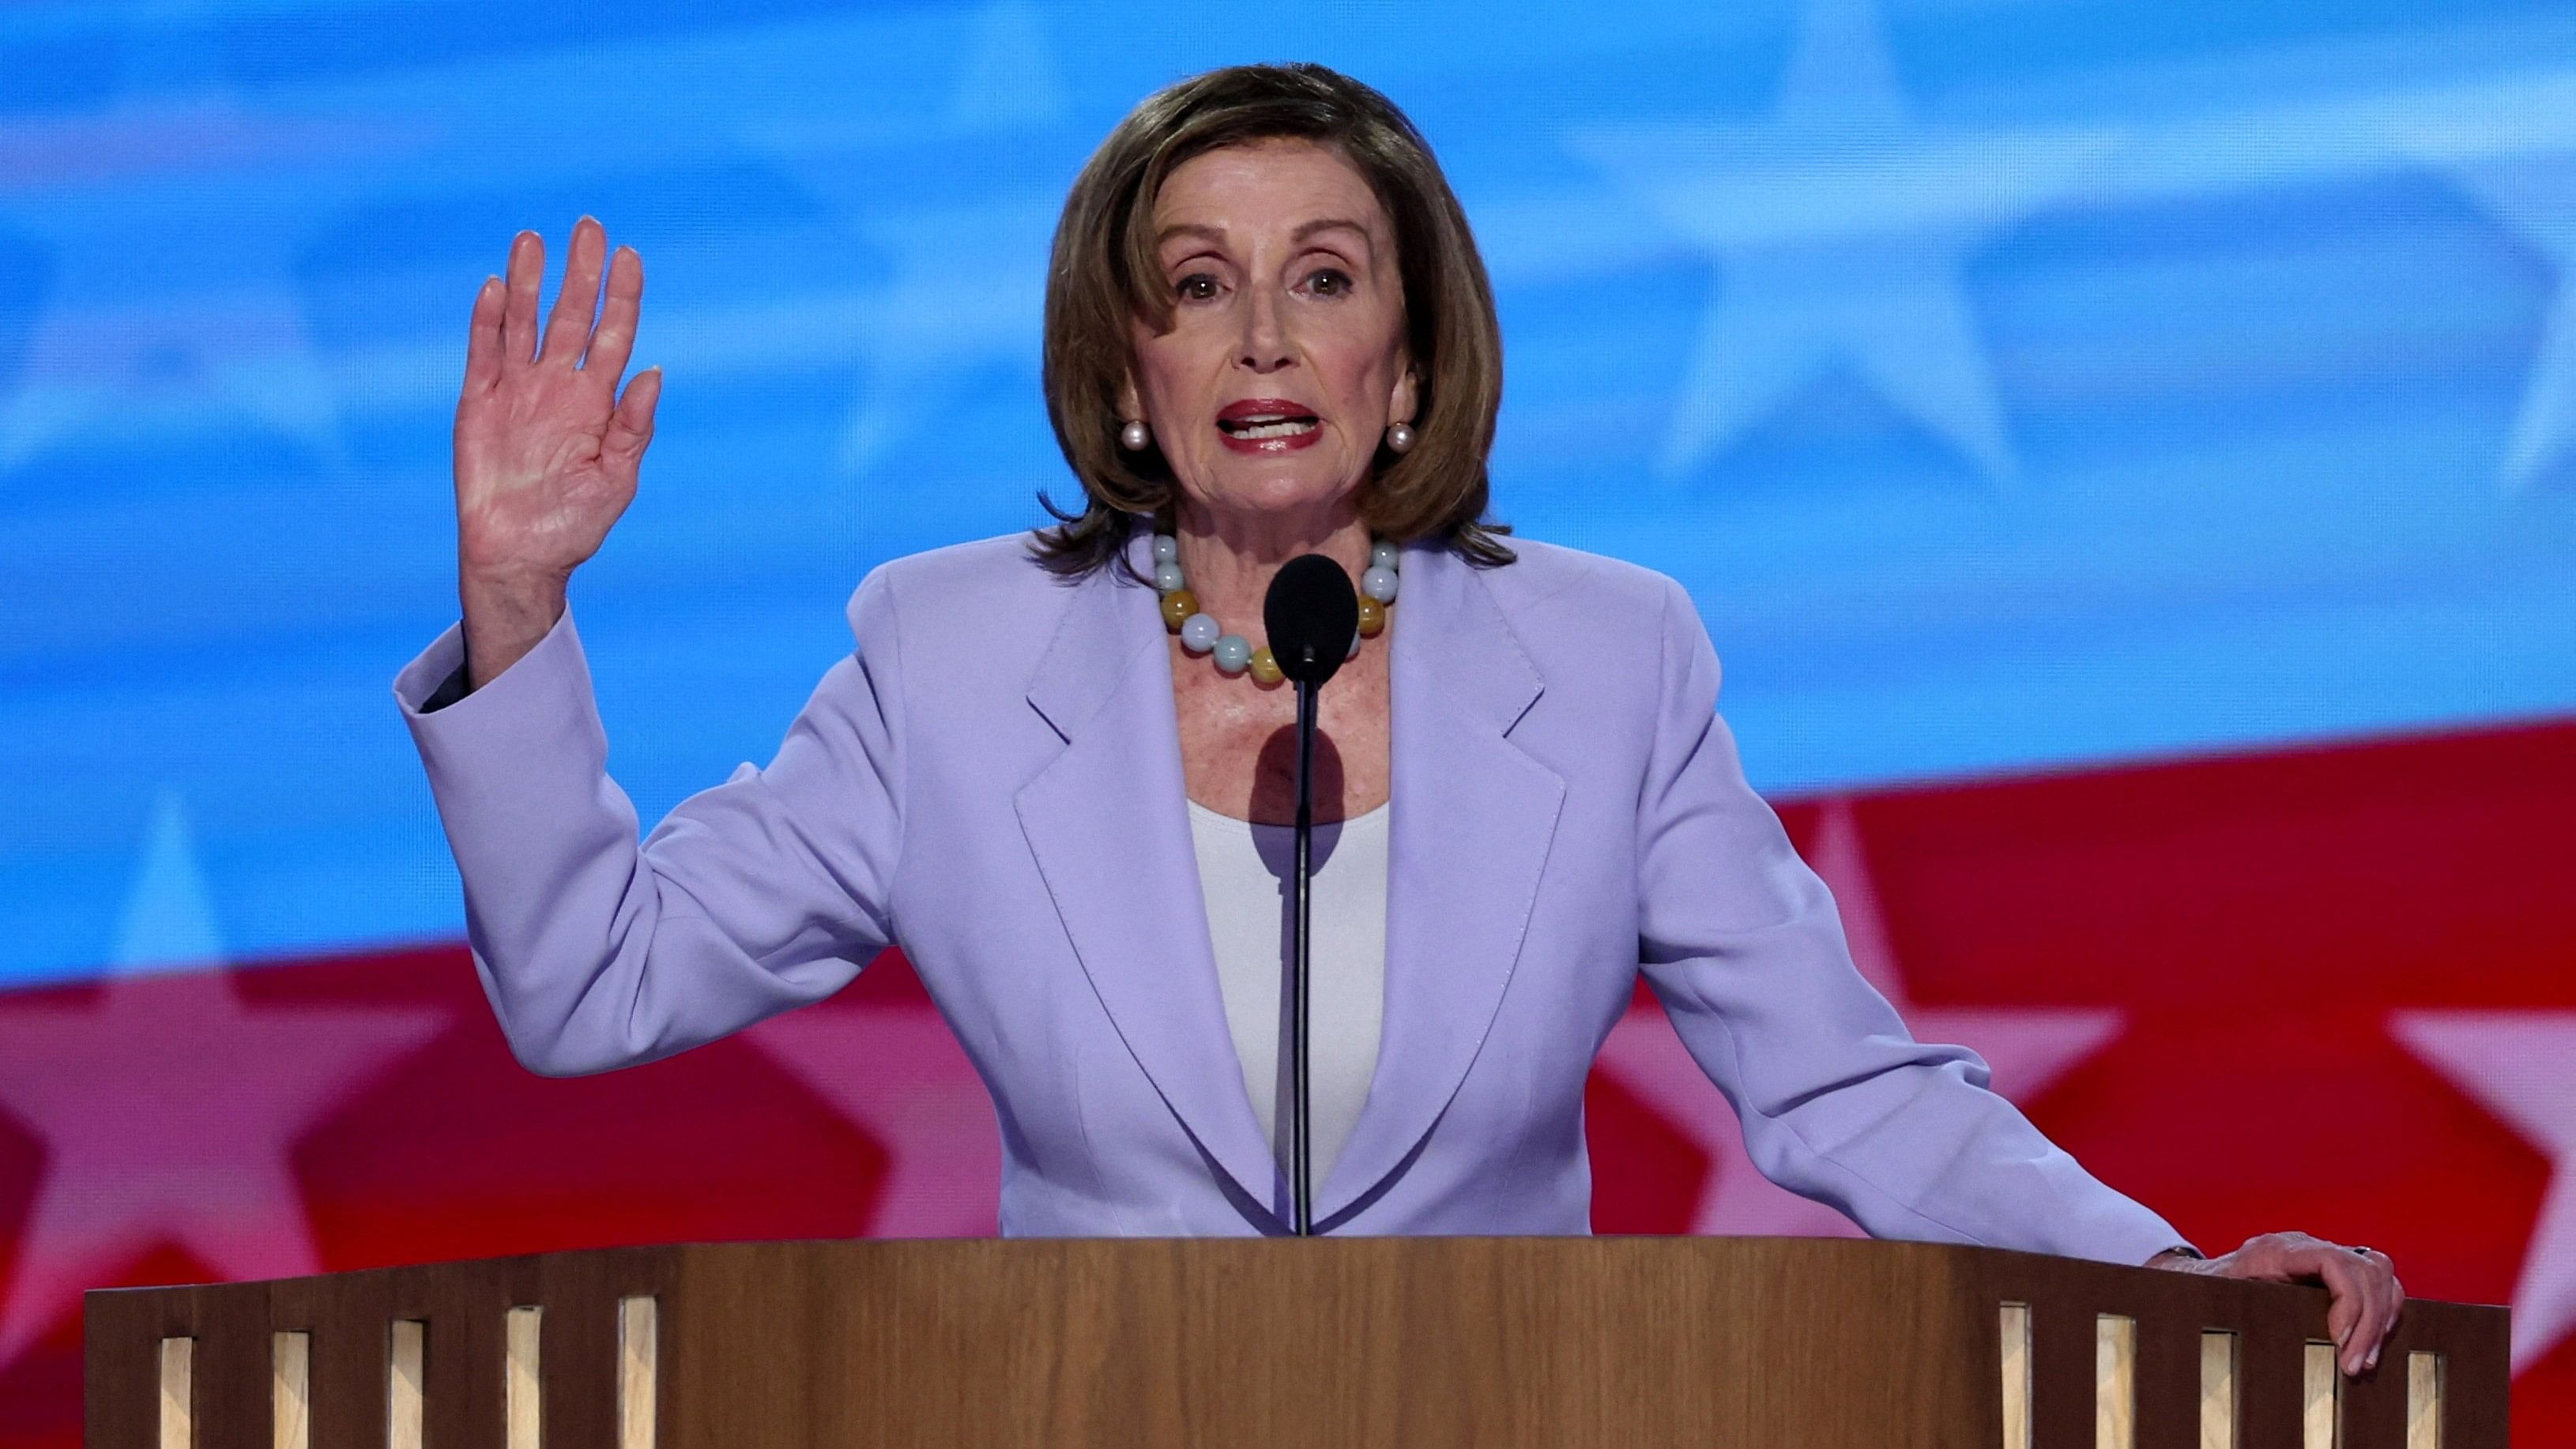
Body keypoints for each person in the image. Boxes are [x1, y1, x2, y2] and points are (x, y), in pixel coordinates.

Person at [394, 62, 2405, 1376]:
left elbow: (1844, 1089)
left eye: (1323, 277)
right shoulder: (944, 657)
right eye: (1196, 287)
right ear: (1124, 377)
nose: (1262, 337)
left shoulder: (1612, 659)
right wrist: (517, 601)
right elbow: (592, 985)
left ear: (1411, 364)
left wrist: (2152, 1278)